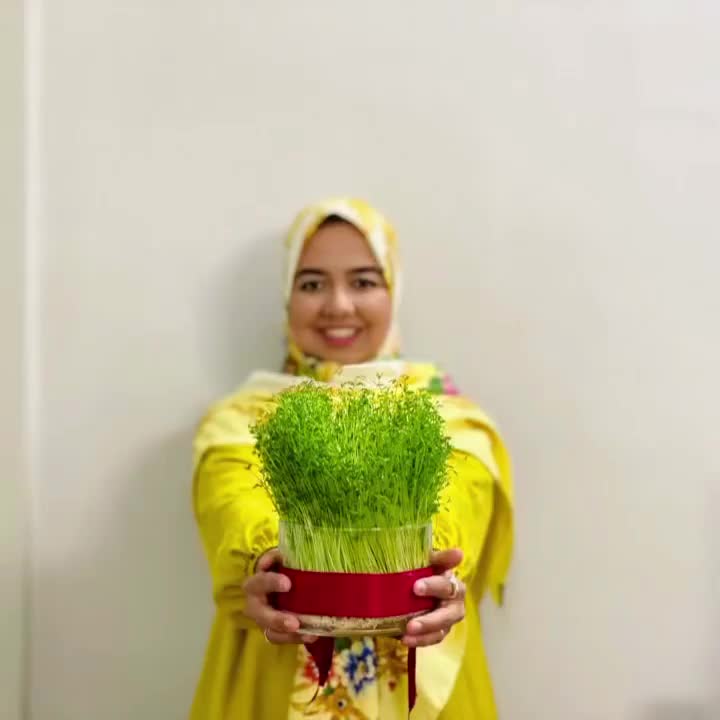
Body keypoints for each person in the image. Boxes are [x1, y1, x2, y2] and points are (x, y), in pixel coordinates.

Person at [190, 198, 514, 719]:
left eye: (363, 281)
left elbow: (459, 503)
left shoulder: (450, 414)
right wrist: (266, 564)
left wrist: (437, 571)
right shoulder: (240, 419)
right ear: (287, 297)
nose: (339, 305)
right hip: (271, 685)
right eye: (312, 283)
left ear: (393, 291)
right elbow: (234, 504)